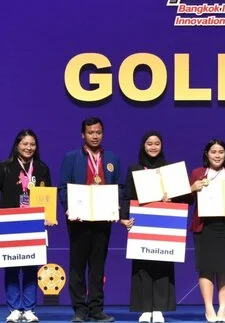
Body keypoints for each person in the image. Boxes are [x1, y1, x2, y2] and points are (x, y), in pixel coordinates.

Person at [59, 117, 122, 323]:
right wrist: (69, 208)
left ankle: (96, 308)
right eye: (90, 132)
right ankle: (79, 309)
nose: (95, 136)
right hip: (79, 220)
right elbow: (63, 187)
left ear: (103, 134)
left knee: (97, 268)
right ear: (83, 135)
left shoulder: (111, 158)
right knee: (77, 267)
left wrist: (116, 205)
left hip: (102, 221)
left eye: (98, 132)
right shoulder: (71, 158)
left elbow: (119, 187)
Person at [119, 132, 180, 323]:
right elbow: (127, 195)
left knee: (163, 264)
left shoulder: (169, 170)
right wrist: (123, 218)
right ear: (143, 146)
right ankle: (145, 309)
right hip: (141, 223)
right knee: (142, 266)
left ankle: (159, 309)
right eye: (149, 143)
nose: (153, 147)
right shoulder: (135, 169)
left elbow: (182, 197)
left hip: (164, 223)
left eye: (157, 143)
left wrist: (172, 198)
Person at [0, 130, 52, 323]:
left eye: (32, 144)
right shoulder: (5, 168)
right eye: (25, 144)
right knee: (12, 267)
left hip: (34, 224)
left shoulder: (42, 168)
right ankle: (14, 309)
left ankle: (29, 309)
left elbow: (48, 196)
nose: (29, 148)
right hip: (10, 224)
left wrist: (48, 216)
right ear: (17, 145)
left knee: (31, 266)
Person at [188, 139, 225, 323]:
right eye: (213, 152)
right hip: (204, 227)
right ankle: (209, 308)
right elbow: (187, 199)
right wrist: (192, 188)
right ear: (207, 154)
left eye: (221, 152)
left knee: (224, 269)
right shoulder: (197, 173)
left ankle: (223, 309)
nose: (217, 155)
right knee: (206, 268)